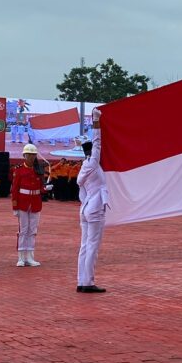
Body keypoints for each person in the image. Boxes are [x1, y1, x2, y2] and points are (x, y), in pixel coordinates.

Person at [76, 108, 108, 293]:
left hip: (85, 207)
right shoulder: (93, 162)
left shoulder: (83, 168)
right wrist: (96, 120)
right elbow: (97, 142)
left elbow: (81, 192)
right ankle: (88, 282)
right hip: (95, 208)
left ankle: (81, 281)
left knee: (84, 246)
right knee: (92, 247)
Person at [11, 144, 52, 267]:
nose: (31, 157)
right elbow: (15, 189)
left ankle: (30, 256)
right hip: (23, 202)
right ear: (24, 155)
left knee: (32, 230)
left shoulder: (38, 169)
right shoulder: (19, 170)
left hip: (35, 202)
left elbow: (40, 188)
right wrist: (15, 207)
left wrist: (46, 188)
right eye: (29, 155)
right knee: (23, 230)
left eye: (33, 155)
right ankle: (21, 256)